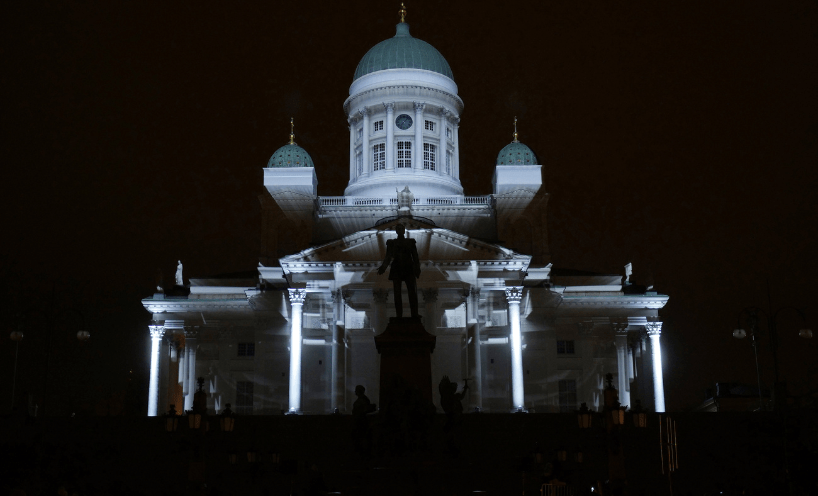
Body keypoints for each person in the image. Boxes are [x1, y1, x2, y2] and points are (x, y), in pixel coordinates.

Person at [377, 224, 421, 318]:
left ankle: (414, 314)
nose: (400, 230)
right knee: (397, 293)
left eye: (401, 229)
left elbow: (415, 257)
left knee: (412, 293)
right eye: (398, 229)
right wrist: (383, 267)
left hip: (409, 268)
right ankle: (399, 316)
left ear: (404, 230)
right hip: (397, 268)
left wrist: (417, 268)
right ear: (396, 231)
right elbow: (388, 257)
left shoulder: (410, 242)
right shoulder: (392, 243)